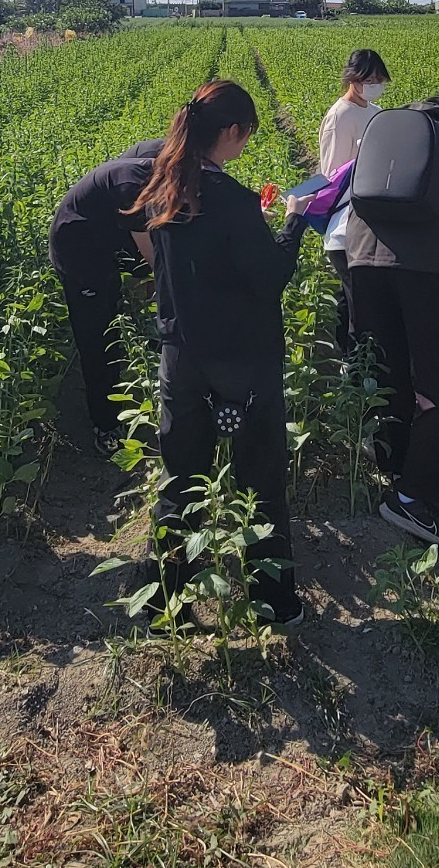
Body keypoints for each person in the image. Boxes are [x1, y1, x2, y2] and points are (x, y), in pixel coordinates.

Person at [128, 80, 307, 626]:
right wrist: (295, 220)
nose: (245, 145)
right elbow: (270, 275)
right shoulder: (232, 200)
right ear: (230, 132)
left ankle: (167, 604)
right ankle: (273, 603)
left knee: (180, 478)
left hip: (180, 356)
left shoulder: (165, 187)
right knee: (259, 475)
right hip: (241, 360)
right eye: (245, 136)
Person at [344, 95, 439, 547]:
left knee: (387, 368)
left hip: (361, 265)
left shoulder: (382, 134)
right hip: (426, 271)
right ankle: (414, 500)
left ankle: (394, 466)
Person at [49, 137, 168, 453]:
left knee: (115, 316)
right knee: (98, 339)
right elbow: (158, 261)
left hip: (108, 240)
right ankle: (106, 427)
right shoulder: (135, 185)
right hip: (81, 254)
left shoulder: (161, 156)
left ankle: (133, 371)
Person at [316, 49, 389, 354]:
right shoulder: (341, 115)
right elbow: (331, 175)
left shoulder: (375, 111)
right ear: (353, 80)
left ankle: (353, 357)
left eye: (379, 79)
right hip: (347, 221)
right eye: (368, 80)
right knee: (358, 297)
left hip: (371, 216)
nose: (374, 84)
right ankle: (354, 361)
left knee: (354, 296)